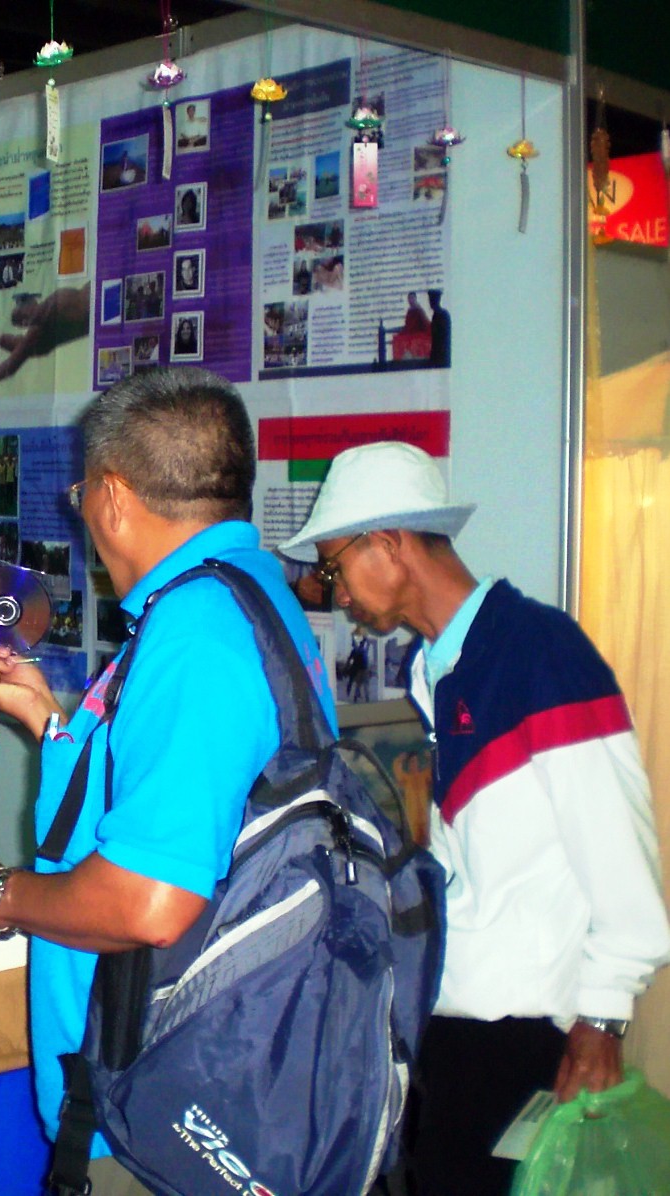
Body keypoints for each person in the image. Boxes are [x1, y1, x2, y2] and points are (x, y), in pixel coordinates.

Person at [0, 368, 335, 1194]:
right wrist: (48, 718)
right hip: (183, 1090)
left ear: (112, 498)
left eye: (83, 494)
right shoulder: (242, 594)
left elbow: (149, 901)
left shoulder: (194, 633)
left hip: (155, 1117)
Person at [279, 440, 670, 1196]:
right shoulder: (442, 667)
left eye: (334, 568)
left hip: (524, 1041)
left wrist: (603, 1018)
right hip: (458, 1029)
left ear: (389, 543)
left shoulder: (536, 652)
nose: (337, 594)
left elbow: (624, 856)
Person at [0, 282, 90, 381]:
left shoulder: (42, 318)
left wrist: (18, 346)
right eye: (22, 323)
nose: (26, 323)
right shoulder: (41, 323)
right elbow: (20, 353)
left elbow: (6, 368)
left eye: (22, 317)